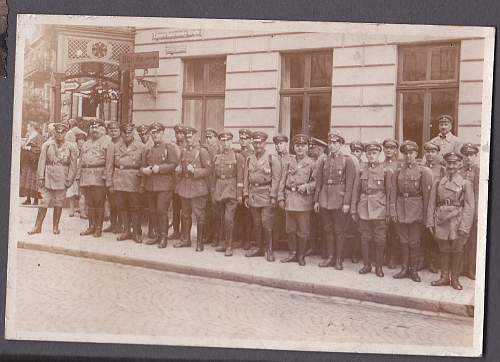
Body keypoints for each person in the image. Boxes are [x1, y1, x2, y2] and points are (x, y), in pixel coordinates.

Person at [426, 152, 475, 290]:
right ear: (445, 164)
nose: (451, 166)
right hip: (441, 220)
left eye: (454, 163)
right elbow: (431, 203)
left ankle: (455, 279)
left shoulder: (465, 183)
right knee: (444, 249)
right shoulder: (438, 182)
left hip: (457, 221)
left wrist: (465, 226)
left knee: (457, 250)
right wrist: (430, 221)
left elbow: (469, 206)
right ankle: (443, 277)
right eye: (449, 163)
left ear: (460, 164)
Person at [314, 130, 358, 270]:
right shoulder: (324, 160)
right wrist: (316, 200)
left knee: (339, 231)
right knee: (328, 230)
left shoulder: (347, 160)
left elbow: (350, 184)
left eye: (335, 143)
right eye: (330, 143)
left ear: (341, 144)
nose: (332, 146)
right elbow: (319, 182)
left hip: (339, 200)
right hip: (325, 199)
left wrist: (346, 203)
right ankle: (330, 257)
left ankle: (339, 259)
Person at [391, 140, 433, 283]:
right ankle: (404, 268)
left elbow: (427, 196)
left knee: (414, 242)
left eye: (411, 153)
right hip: (401, 208)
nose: (408, 156)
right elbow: (394, 193)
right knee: (403, 240)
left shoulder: (424, 171)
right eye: (405, 153)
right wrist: (393, 211)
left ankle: (414, 270)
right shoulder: (397, 171)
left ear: (416, 154)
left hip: (417, 210)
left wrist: (426, 215)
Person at [351, 142, 394, 277]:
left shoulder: (386, 171)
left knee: (380, 239)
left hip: (380, 208)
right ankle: (367, 265)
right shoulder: (361, 170)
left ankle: (379, 267)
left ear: (379, 154)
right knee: (365, 238)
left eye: (374, 153)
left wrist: (389, 211)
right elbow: (356, 190)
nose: (371, 156)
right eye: (368, 153)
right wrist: (353, 209)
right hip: (364, 208)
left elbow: (389, 193)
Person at [28, 121, 77, 235]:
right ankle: (37, 226)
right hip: (47, 178)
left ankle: (55, 227)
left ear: (65, 133)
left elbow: (73, 165)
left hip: (62, 178)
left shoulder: (71, 147)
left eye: (62, 132)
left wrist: (69, 180)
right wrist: (40, 177)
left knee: (58, 202)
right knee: (43, 201)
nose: (60, 134)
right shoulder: (47, 144)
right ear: (54, 132)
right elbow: (42, 162)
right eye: (57, 132)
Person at [278, 134, 316, 266]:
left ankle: (301, 255)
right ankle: (292, 254)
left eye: (303, 146)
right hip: (290, 199)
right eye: (297, 146)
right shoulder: (289, 162)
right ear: (293, 147)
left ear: (307, 147)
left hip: (303, 200)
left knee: (303, 230)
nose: (300, 148)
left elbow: (316, 182)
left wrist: (307, 186)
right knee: (290, 229)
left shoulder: (311, 163)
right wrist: (280, 197)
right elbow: (282, 181)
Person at [243, 131, 281, 261]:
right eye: (255, 142)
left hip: (266, 194)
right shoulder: (250, 158)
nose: (258, 145)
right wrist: (246, 195)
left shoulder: (271, 158)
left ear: (265, 143)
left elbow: (276, 178)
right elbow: (246, 178)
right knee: (257, 223)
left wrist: (273, 196)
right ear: (252, 143)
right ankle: (259, 248)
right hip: (254, 194)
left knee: (266, 223)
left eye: (260, 142)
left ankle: (269, 249)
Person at [106, 123, 146, 243]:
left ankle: (136, 232)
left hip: (134, 181)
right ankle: (126, 231)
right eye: (125, 132)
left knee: (135, 208)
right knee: (122, 207)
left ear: (133, 133)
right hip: (119, 181)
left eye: (130, 132)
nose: (127, 135)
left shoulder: (141, 147)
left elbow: (144, 166)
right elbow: (109, 166)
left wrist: (143, 184)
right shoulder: (115, 146)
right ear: (121, 134)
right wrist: (110, 183)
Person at [141, 122, 179, 248]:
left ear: (162, 133)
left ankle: (164, 237)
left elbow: (174, 164)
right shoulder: (148, 149)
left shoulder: (169, 147)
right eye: (153, 133)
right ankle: (157, 235)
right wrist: (144, 170)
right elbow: (142, 165)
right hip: (151, 185)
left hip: (164, 186)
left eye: (158, 132)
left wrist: (160, 169)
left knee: (161, 211)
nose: (155, 135)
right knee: (152, 211)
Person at [174, 126, 211, 251]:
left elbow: (208, 170)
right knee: (185, 215)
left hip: (198, 188)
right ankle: (186, 240)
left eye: (190, 136)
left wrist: (195, 171)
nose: (188, 139)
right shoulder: (184, 151)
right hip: (185, 187)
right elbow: (180, 165)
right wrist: (179, 169)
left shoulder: (202, 151)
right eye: (187, 137)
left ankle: (200, 243)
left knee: (200, 215)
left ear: (195, 136)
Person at [211, 131, 245, 256]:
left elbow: (240, 178)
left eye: (227, 141)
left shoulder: (237, 157)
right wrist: (213, 192)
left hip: (231, 189)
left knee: (228, 218)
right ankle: (224, 243)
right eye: (223, 141)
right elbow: (214, 177)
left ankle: (230, 245)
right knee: (221, 217)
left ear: (231, 141)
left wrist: (240, 194)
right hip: (220, 188)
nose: (225, 143)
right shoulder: (217, 157)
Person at [76, 119, 110, 238]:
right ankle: (91, 226)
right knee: (89, 203)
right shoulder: (86, 143)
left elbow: (109, 162)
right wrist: (78, 175)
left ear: (102, 129)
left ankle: (98, 228)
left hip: (98, 175)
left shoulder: (107, 142)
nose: (94, 130)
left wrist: (106, 176)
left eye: (97, 127)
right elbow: (81, 160)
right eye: (92, 128)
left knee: (98, 202)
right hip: (86, 175)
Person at [421, 142, 446, 273]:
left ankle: (433, 262)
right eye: (428, 151)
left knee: (434, 234)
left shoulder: (442, 170)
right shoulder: (421, 168)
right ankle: (423, 260)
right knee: (422, 234)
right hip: (422, 205)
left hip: (436, 205)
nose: (430, 154)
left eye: (433, 151)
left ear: (437, 153)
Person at [459, 143, 480, 280]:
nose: (468, 157)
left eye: (471, 155)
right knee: (460, 239)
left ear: (476, 156)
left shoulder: (479, 171)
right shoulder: (459, 171)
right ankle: (459, 268)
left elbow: (479, 192)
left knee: (472, 240)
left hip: (472, 210)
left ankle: (470, 269)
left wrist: (477, 212)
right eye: (466, 155)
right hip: (459, 209)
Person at [234, 128, 255, 250]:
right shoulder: (237, 153)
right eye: (241, 138)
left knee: (248, 216)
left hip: (249, 189)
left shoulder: (251, 154)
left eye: (245, 139)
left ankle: (247, 240)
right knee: (238, 215)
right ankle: (239, 239)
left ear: (250, 140)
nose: (243, 141)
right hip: (237, 188)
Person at [382, 138, 401, 269]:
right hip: (381, 203)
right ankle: (382, 256)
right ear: (383, 149)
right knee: (382, 231)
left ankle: (392, 258)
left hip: (395, 203)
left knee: (394, 232)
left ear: (396, 150)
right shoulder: (379, 165)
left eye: (392, 148)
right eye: (387, 148)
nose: (389, 150)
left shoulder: (400, 166)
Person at [308, 137, 328, 258]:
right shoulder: (316, 160)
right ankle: (315, 247)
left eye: (313, 147)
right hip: (314, 196)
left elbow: (317, 181)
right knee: (314, 224)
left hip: (320, 196)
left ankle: (323, 250)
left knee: (322, 224)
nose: (310, 149)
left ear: (320, 149)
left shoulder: (322, 160)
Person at [102, 121, 123, 234]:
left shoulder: (122, 143)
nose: (113, 133)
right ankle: (113, 224)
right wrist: (107, 178)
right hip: (110, 175)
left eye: (116, 130)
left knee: (119, 202)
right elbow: (108, 163)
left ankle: (120, 225)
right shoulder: (108, 143)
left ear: (119, 131)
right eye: (111, 131)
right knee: (111, 202)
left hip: (120, 176)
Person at [203, 128, 222, 247]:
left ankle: (217, 237)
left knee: (216, 212)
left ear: (216, 138)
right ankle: (208, 235)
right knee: (207, 211)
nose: (209, 140)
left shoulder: (220, 150)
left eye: (211, 137)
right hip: (206, 184)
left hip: (217, 185)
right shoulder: (204, 149)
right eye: (207, 137)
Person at [273, 134, 291, 250]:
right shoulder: (272, 158)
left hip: (286, 194)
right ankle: (275, 245)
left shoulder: (291, 159)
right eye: (277, 144)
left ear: (286, 144)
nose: (279, 146)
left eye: (281, 143)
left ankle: (288, 246)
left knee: (288, 222)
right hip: (273, 193)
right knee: (274, 220)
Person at [168, 124, 186, 240]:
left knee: (185, 209)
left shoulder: (187, 146)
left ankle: (184, 232)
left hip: (184, 182)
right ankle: (176, 231)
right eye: (177, 133)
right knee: (175, 208)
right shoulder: (171, 146)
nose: (179, 135)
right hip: (174, 182)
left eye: (181, 133)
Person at [136, 124, 154, 238]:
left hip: (151, 179)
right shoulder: (140, 146)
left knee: (151, 207)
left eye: (145, 134)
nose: (143, 136)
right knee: (142, 205)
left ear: (149, 134)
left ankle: (152, 230)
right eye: (140, 134)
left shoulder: (151, 146)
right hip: (141, 179)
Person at [20, 121, 44, 205]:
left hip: (34, 162)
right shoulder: (29, 136)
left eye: (28, 127)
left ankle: (36, 200)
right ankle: (28, 198)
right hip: (27, 161)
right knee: (27, 179)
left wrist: (29, 148)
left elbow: (40, 149)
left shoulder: (39, 137)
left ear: (32, 127)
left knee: (34, 180)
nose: (27, 128)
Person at [66, 133, 87, 217]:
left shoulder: (86, 150)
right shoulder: (74, 150)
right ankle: (71, 210)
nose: (80, 145)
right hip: (73, 173)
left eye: (82, 143)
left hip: (83, 174)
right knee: (72, 192)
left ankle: (82, 210)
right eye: (79, 143)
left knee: (82, 193)